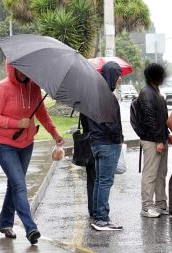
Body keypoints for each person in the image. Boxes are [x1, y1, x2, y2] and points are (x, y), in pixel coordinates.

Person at [0, 62, 64, 245]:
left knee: (14, 184)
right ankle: (30, 228)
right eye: (20, 69)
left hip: (27, 144)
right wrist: (16, 123)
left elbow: (42, 114)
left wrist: (55, 133)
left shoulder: (34, 88)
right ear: (12, 68)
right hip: (4, 144)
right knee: (19, 185)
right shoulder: (1, 88)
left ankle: (5, 223)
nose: (23, 73)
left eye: (27, 69)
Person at [87, 61, 124, 231]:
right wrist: (119, 139)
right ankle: (102, 219)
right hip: (108, 144)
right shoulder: (107, 97)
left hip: (96, 143)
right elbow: (111, 124)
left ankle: (97, 214)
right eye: (117, 75)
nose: (119, 79)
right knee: (105, 182)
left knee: (99, 181)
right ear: (111, 76)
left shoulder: (94, 94)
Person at [137, 63, 171, 218]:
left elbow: (162, 118)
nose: (162, 78)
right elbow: (150, 119)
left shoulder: (156, 91)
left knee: (161, 174)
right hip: (152, 140)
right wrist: (158, 140)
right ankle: (146, 207)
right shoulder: (146, 93)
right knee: (150, 174)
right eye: (160, 75)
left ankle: (161, 204)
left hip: (160, 138)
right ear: (155, 76)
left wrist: (166, 134)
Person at [79, 113, 96, 218]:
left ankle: (92, 208)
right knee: (97, 178)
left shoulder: (84, 108)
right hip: (96, 143)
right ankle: (96, 208)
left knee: (91, 179)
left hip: (87, 146)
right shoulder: (96, 107)